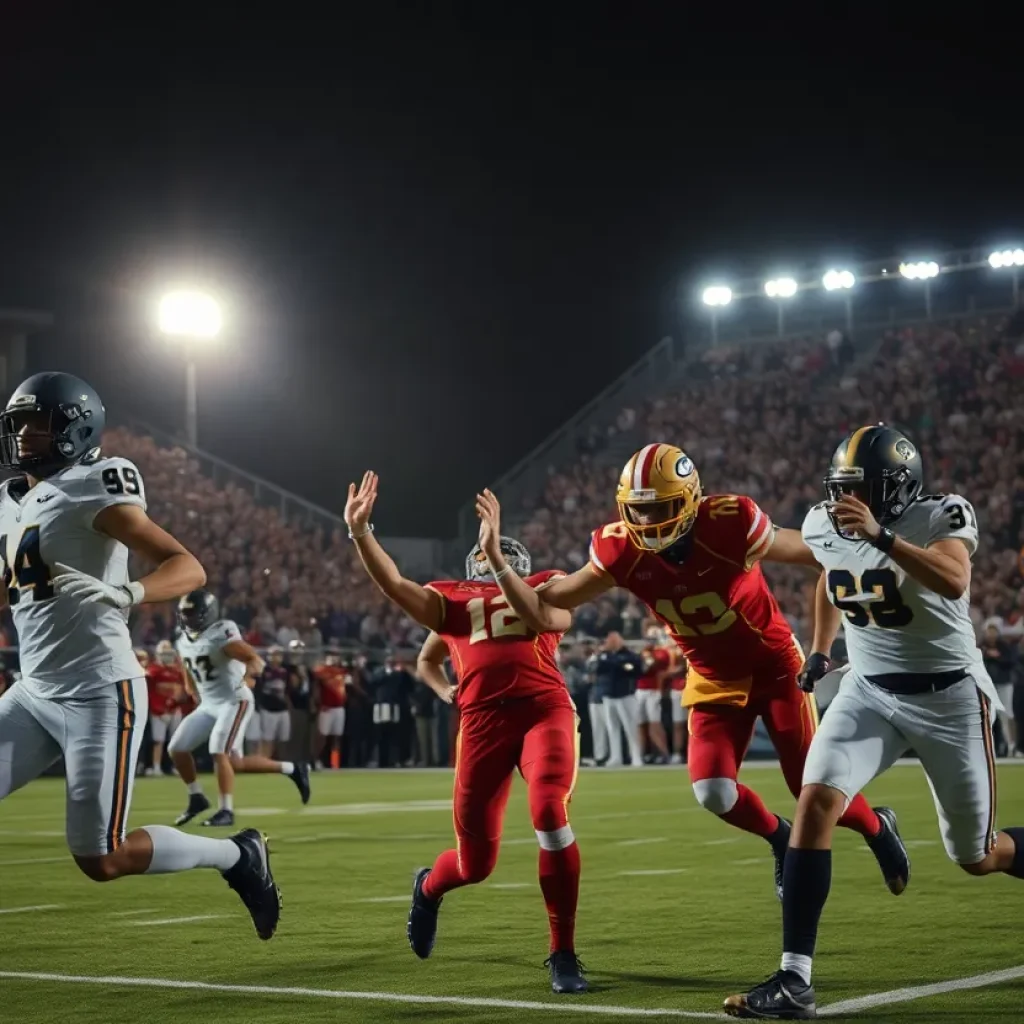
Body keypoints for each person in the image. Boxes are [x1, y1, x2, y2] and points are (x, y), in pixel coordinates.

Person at [474, 443, 909, 901]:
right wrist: (499, 565)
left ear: (689, 500)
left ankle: (878, 827)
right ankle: (778, 836)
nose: (647, 523)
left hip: (775, 666)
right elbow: (552, 601)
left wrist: (825, 643)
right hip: (711, 676)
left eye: (659, 508)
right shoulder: (619, 548)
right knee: (714, 793)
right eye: (638, 512)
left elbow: (824, 557)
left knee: (813, 790)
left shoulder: (731, 523)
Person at [724, 425, 1024, 1019]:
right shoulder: (827, 524)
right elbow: (821, 568)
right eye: (841, 489)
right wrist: (818, 647)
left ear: (896, 488)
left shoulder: (942, 515)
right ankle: (794, 979)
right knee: (814, 801)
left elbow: (954, 578)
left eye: (859, 489)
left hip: (949, 699)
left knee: (976, 856)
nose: (845, 502)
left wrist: (883, 537)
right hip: (867, 691)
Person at [0, 372, 279, 940]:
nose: (25, 435)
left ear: (76, 428)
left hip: (99, 691)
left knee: (101, 859)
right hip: (34, 689)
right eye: (19, 423)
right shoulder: (9, 501)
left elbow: (187, 566)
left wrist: (128, 591)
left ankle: (237, 856)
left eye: (40, 422)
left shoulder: (92, 484)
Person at [345, 470, 588, 994]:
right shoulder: (450, 601)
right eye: (486, 554)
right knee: (475, 864)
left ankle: (563, 952)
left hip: (544, 709)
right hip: (481, 723)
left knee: (549, 812)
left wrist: (499, 562)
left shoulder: (544, 583)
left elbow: (549, 619)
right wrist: (362, 534)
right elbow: (395, 586)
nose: (489, 558)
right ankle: (429, 887)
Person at [169, 589, 311, 826]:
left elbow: (253, 658)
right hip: (210, 704)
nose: (187, 618)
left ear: (208, 613)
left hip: (234, 700)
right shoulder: (183, 640)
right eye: (184, 613)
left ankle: (226, 811)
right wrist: (192, 691)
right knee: (179, 748)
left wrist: (250, 674)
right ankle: (197, 797)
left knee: (218, 751)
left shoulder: (221, 633)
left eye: (192, 613)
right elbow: (187, 670)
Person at [145, 639, 185, 775]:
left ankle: (176, 766)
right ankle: (156, 766)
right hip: (158, 710)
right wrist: (157, 707)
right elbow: (149, 690)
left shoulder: (177, 670)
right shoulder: (153, 669)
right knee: (158, 740)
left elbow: (181, 688)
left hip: (174, 709)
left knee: (176, 741)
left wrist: (174, 702)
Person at [257, 645, 292, 759]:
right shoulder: (263, 670)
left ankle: (280, 762)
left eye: (278, 655)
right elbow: (259, 689)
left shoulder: (285, 672)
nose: (276, 658)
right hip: (268, 709)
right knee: (267, 738)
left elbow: (287, 690)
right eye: (274, 655)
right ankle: (264, 761)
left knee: (283, 739)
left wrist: (288, 705)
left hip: (282, 709)